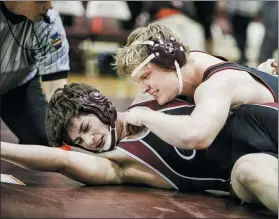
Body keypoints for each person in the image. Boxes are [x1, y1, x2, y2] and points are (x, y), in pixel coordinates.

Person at [1, 83, 278, 214]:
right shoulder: (121, 163)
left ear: (98, 105)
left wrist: (255, 73)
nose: (90, 142)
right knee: (252, 170)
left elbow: (207, 73)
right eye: (79, 143)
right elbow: (59, 161)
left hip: (264, 123)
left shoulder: (152, 95)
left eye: (85, 129)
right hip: (248, 168)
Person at [114, 23, 277, 151]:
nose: (144, 88)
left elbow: (197, 136)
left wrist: (145, 116)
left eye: (146, 76)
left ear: (169, 60)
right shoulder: (195, 62)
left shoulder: (217, 83)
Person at [0, 1, 70, 145]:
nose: (49, 5)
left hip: (18, 85)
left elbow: (56, 87)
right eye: (42, 0)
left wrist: (65, 125)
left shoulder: (50, 21)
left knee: (51, 138)